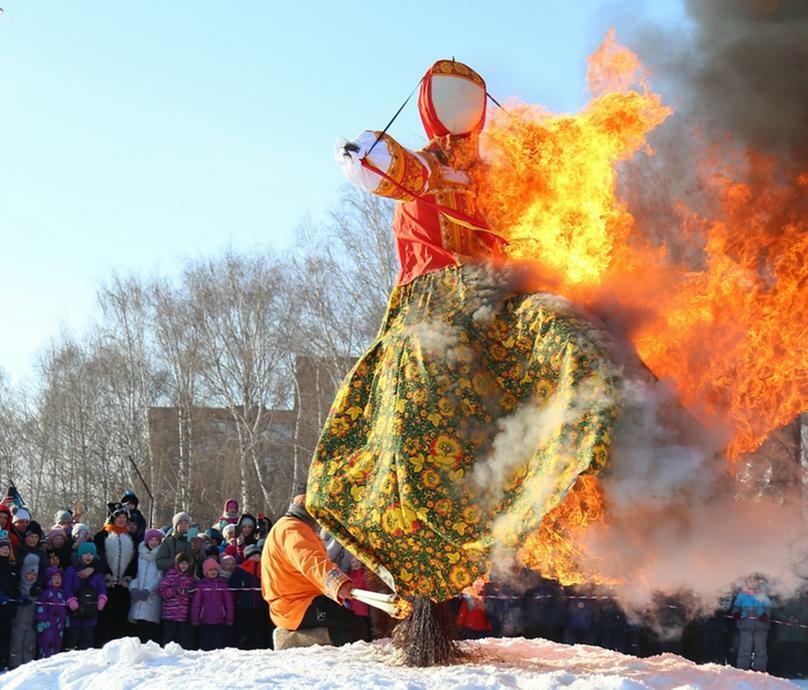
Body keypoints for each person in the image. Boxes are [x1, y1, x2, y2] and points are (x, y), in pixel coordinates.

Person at [308, 58, 620, 666]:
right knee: (425, 385)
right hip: (433, 308)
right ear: (427, 106)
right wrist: (362, 153)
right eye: (449, 99)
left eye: (472, 97)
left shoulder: (502, 172)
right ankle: (426, 580)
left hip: (498, 298)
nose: (464, 109)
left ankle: (590, 442)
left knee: (568, 328)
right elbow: (383, 167)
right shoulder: (421, 165)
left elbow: (552, 206)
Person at [261, 485, 360, 650]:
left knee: (352, 622)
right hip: (295, 604)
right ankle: (289, 639)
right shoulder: (293, 530)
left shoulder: (297, 528)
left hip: (300, 600)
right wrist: (338, 583)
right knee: (353, 628)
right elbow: (311, 561)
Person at [94, 503, 137, 642]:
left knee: (121, 616)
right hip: (106, 584)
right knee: (105, 617)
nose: (122, 520)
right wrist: (106, 573)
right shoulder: (102, 536)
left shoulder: (131, 537)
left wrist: (129, 576)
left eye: (124, 517)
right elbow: (99, 557)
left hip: (123, 585)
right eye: (119, 517)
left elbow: (134, 559)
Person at [63, 541, 107, 650]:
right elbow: (66, 586)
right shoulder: (72, 570)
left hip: (90, 612)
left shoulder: (97, 573)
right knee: (73, 638)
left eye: (91, 554)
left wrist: (102, 599)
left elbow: (102, 588)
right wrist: (70, 599)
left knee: (88, 639)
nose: (88, 556)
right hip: (74, 612)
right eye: (85, 553)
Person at [229, 543, 270, 649]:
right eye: (253, 555)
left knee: (260, 627)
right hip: (244, 604)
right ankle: (244, 644)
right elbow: (232, 583)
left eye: (258, 555)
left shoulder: (265, 568)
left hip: (262, 604)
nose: (256, 557)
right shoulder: (241, 569)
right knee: (245, 627)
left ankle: (261, 645)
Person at [129, 528, 164, 643]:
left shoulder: (160, 557)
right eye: (151, 540)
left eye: (156, 540)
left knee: (150, 627)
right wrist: (133, 587)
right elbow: (134, 574)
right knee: (139, 627)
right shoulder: (139, 556)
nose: (153, 542)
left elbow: (160, 577)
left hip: (152, 596)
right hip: (138, 596)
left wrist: (148, 589)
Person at [190, 557, 233, 651]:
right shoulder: (202, 585)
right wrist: (195, 618)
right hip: (205, 620)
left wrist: (229, 618)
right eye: (210, 570)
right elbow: (196, 603)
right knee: (205, 643)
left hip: (220, 620)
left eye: (214, 569)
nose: (213, 572)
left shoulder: (223, 584)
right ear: (206, 571)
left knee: (219, 643)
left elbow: (228, 603)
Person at [731, 574, 771, 672]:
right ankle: (742, 670)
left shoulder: (762, 594)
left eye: (754, 581)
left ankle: (760, 670)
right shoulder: (742, 595)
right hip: (745, 625)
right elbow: (736, 607)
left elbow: (768, 607)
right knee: (745, 649)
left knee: (760, 650)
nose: (752, 583)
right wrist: (736, 613)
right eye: (750, 581)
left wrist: (765, 615)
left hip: (760, 626)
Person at [158, 552, 196, 649]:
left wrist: (190, 593)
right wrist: (175, 591)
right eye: (181, 563)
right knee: (169, 640)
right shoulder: (170, 576)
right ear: (177, 564)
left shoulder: (191, 579)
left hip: (183, 615)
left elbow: (194, 595)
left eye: (186, 563)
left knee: (182, 641)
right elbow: (162, 592)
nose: (183, 566)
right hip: (170, 615)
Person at [8, 553, 39, 669]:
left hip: (31, 623)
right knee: (16, 643)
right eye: (28, 574)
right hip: (18, 623)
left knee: (29, 644)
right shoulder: (17, 588)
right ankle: (15, 666)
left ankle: (28, 666)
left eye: (34, 574)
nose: (31, 577)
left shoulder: (37, 590)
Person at [35, 565, 69, 658]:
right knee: (47, 643)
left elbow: (64, 607)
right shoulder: (46, 593)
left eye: (59, 578)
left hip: (60, 624)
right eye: (55, 578)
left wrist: (66, 618)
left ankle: (55, 661)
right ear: (49, 580)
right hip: (48, 624)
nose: (57, 580)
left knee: (57, 643)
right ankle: (44, 659)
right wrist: (41, 620)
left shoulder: (62, 593)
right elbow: (41, 606)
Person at [0, 536, 19, 668]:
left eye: (8, 547)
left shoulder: (12, 566)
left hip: (8, 609)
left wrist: (19, 597)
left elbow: (15, 585)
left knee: (5, 637)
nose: (5, 550)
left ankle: (3, 661)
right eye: (2, 547)